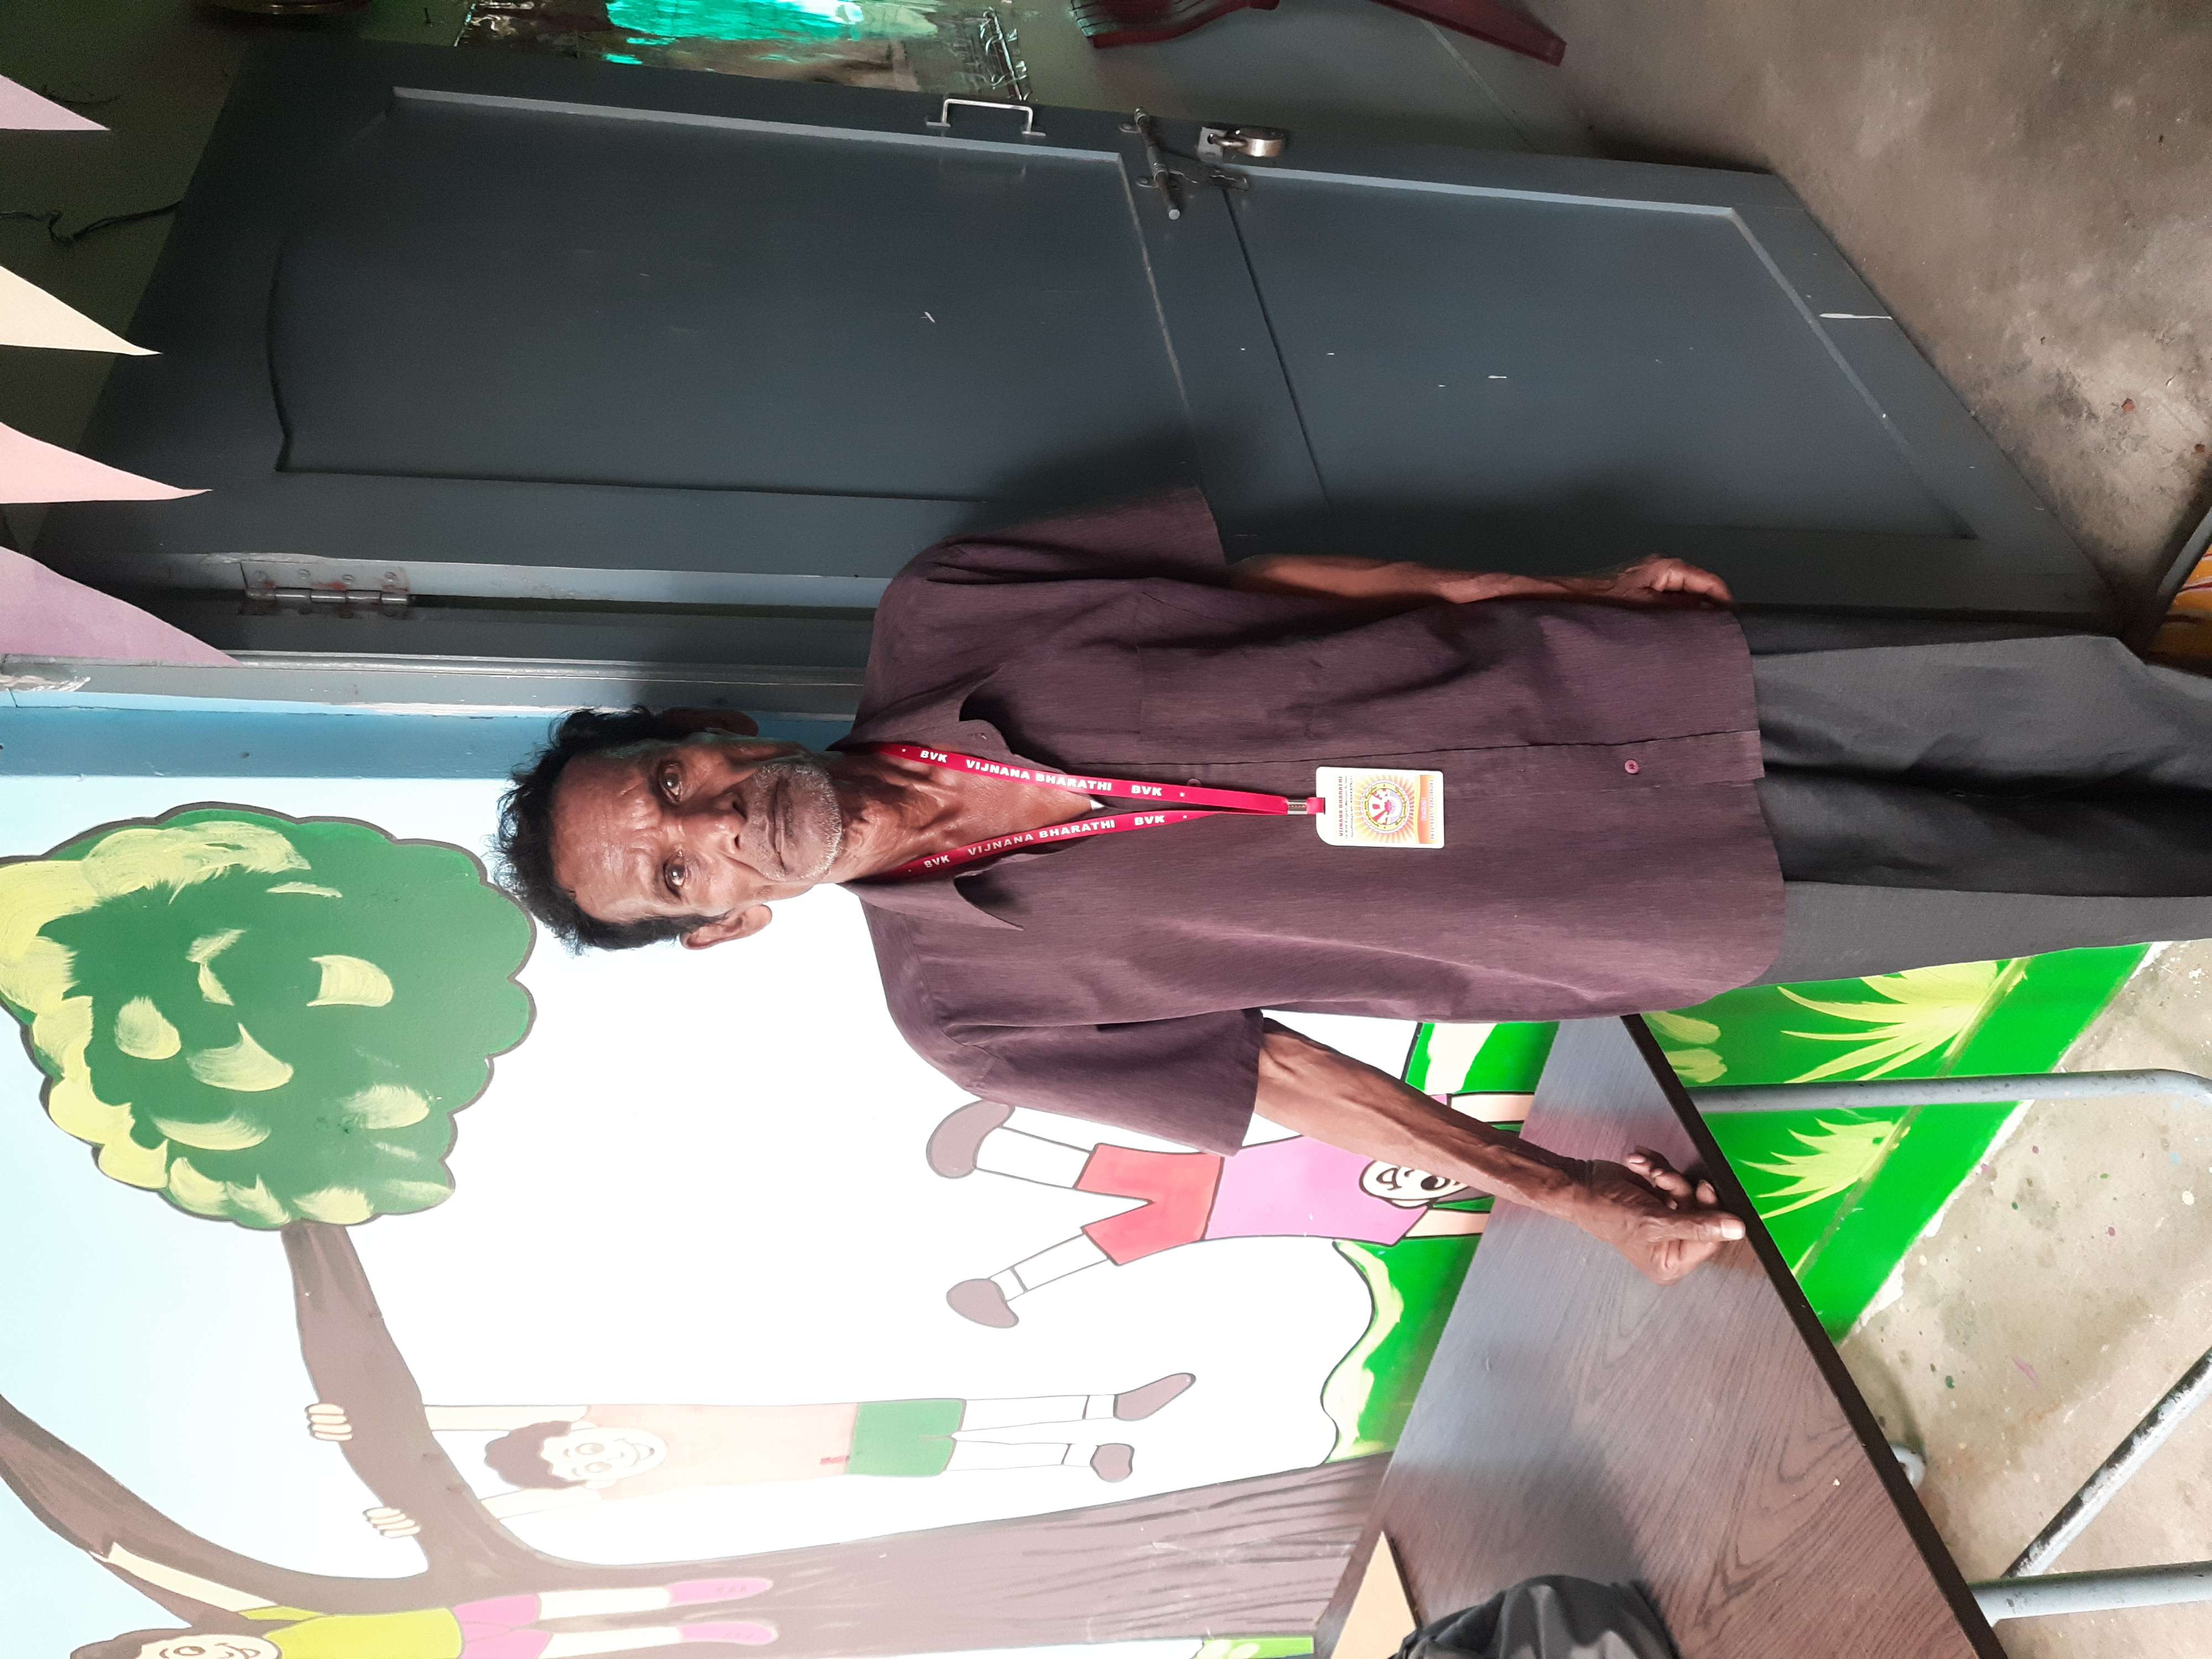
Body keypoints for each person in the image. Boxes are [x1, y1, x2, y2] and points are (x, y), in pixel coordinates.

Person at [495, 491, 2212, 1286]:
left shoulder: (946, 606)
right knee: (2106, 878)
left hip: (1625, 685)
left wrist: (1566, 591)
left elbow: (1287, 585)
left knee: (2092, 705)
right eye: (674, 874)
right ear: (724, 926)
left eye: (671, 785)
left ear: (715, 733)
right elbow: (1295, 1083)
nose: (715, 826)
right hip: (1645, 902)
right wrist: (1566, 1192)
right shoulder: (972, 1016)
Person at [923, 1099, 1485, 1326]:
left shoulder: (1392, 1221)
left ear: (1426, 1201)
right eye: (1424, 1167)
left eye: (1429, 1186)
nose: (1408, 1177)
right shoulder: (1366, 1144)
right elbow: (1454, 1113)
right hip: (1205, 1177)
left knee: (1108, 1225)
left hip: (1208, 1219)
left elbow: (1477, 1219)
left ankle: (1002, 1279)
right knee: (1108, 1173)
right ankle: (988, 1156)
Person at [303, 1380, 1194, 1521]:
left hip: (839, 1411)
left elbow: (486, 1414)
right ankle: (1080, 1460)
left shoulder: (620, 1408)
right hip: (831, 1462)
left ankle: (1105, 1407)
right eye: (581, 1477)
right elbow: (517, 1507)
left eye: (580, 1452)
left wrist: (379, 1419)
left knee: (962, 1413)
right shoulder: (634, 1490)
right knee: (949, 1456)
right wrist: (424, 1508)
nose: (597, 1463)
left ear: (580, 1430)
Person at [81, 1542, 773, 1659]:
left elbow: (214, 1592)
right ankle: (703, 1631)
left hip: (450, 1614)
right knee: (588, 1642)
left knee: (564, 1603)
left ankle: (684, 1595)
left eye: (181, 1653)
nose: (207, 1655)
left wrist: (129, 1561)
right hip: (461, 1654)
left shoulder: (261, 1622)